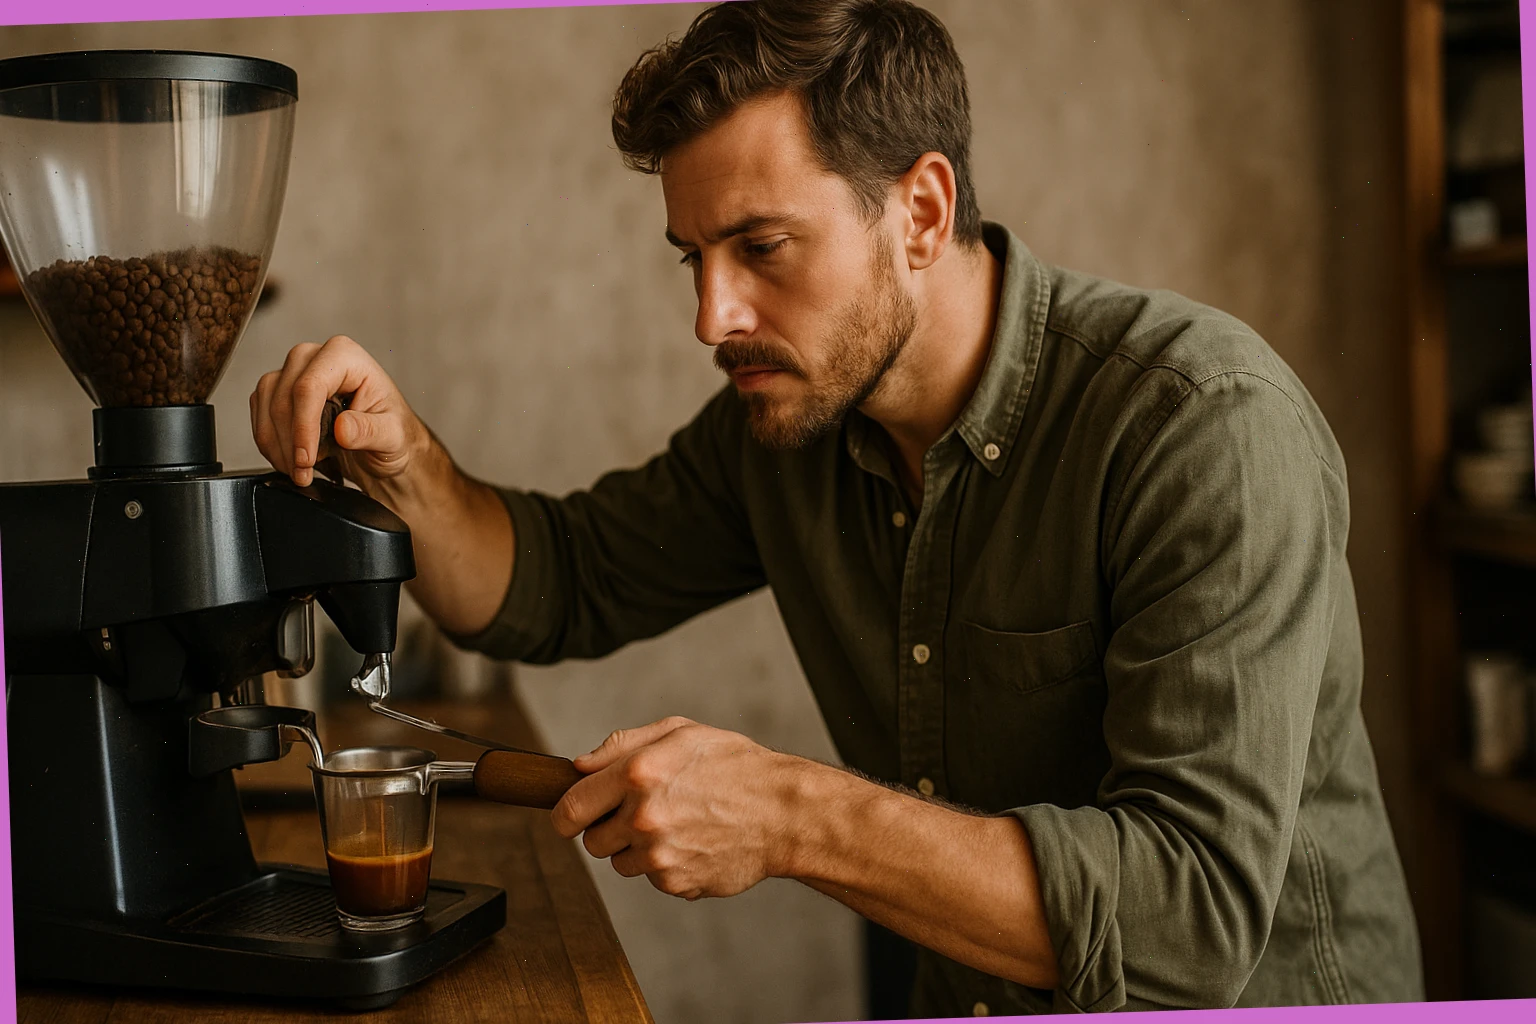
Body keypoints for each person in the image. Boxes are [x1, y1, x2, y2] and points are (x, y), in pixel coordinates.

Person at [250, 0, 1424, 1015]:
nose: (712, 317)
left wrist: (787, 813)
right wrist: (400, 460)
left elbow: (1191, 922)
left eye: (762, 247)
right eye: (693, 257)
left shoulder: (1200, 425)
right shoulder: (787, 423)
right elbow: (552, 585)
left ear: (921, 213)